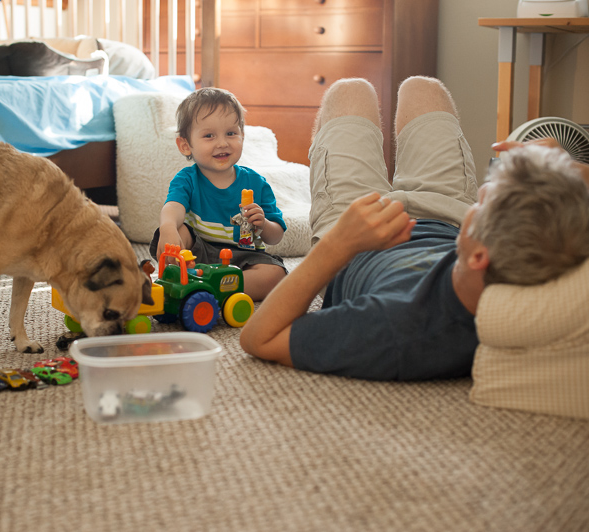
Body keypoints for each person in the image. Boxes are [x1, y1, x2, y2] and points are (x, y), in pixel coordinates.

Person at [240, 76, 589, 380]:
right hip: (447, 221)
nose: (480, 193)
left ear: (481, 254)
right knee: (423, 88)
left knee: (350, 91)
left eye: (483, 204)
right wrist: (565, 170)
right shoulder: (502, 255)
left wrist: (337, 244)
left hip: (357, 239)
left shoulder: (396, 327)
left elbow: (258, 338)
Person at [150, 87, 287, 301]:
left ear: (242, 135)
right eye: (209, 135)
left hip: (244, 256)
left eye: (231, 133)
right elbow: (173, 207)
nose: (222, 143)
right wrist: (167, 228)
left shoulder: (256, 183)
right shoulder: (187, 179)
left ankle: (213, 286)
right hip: (198, 253)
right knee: (178, 231)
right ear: (186, 145)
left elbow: (276, 235)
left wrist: (264, 225)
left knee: (276, 274)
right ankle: (193, 280)